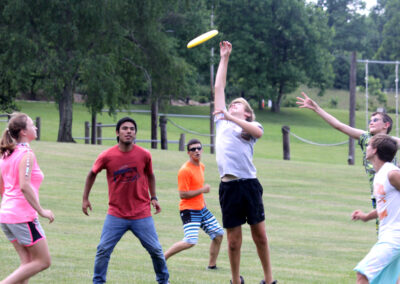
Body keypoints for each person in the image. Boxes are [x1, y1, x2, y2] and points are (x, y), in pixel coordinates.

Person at [214, 41, 276, 284]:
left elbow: (258, 133)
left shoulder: (251, 126)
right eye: (231, 104)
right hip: (228, 187)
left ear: (247, 113)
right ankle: (235, 280)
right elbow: (219, 86)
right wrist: (224, 58)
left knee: (259, 235)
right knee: (233, 241)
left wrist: (230, 115)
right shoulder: (222, 122)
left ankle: (269, 280)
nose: (232, 105)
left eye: (237, 104)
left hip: (248, 184)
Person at [82, 117, 169, 284]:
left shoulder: (144, 155)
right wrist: (85, 198)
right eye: (124, 128)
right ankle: (98, 282)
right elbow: (92, 174)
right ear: (117, 132)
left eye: (132, 129)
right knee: (103, 250)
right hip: (116, 214)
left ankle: (164, 281)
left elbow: (150, 175)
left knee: (156, 250)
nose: (128, 131)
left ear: (135, 133)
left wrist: (154, 197)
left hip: (141, 213)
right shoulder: (107, 156)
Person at [296, 92, 400, 231]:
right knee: (384, 232)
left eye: (375, 120)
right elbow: (339, 125)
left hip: (393, 191)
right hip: (379, 193)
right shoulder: (365, 138)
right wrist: (317, 109)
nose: (371, 122)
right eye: (370, 120)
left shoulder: (393, 141)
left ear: (386, 125)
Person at [0, 112, 54, 284]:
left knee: (28, 263)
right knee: (43, 261)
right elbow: (24, 186)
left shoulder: (6, 154)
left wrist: (10, 206)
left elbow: (2, 185)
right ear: (23, 131)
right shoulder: (26, 154)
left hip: (7, 216)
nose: (35, 127)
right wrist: (42, 211)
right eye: (32, 125)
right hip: (22, 217)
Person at [164, 138, 224, 269]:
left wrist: (203, 201)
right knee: (190, 241)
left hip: (201, 208)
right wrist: (203, 190)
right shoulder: (185, 170)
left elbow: (197, 185)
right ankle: (162, 259)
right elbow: (183, 194)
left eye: (199, 148)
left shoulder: (201, 166)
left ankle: (212, 266)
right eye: (193, 149)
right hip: (189, 210)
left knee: (218, 234)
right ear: (188, 152)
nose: (196, 151)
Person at [351, 134, 400, 283]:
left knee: (363, 273)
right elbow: (385, 206)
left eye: (368, 145)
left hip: (395, 236)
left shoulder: (392, 173)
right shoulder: (380, 174)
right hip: (387, 235)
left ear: (375, 150)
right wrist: (366, 216)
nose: (366, 148)